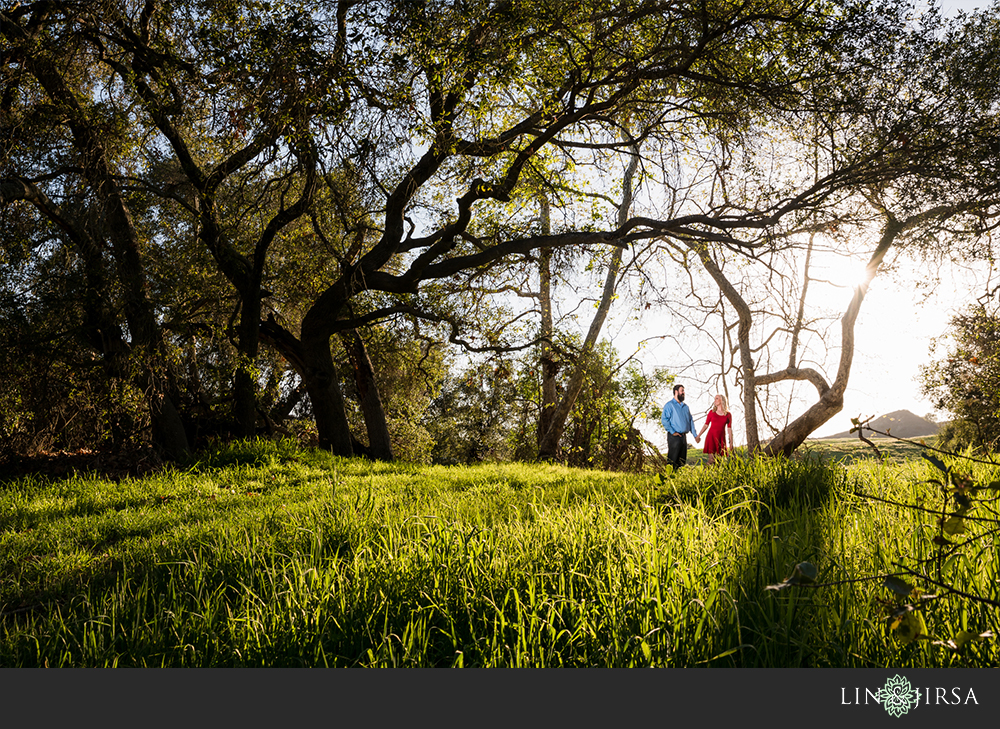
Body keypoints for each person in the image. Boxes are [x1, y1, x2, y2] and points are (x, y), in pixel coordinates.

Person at [661, 383, 699, 470]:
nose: (683, 393)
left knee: (682, 460)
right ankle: (669, 478)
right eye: (682, 391)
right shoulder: (669, 405)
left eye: (683, 391)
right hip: (674, 437)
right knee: (672, 460)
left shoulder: (686, 407)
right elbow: (664, 420)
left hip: (683, 437)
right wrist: (672, 432)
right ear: (676, 392)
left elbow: (690, 421)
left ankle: (678, 479)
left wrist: (695, 435)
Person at [698, 394, 734, 465]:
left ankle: (714, 476)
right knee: (711, 460)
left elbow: (729, 429)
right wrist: (699, 435)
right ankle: (703, 474)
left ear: (722, 400)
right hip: (711, 438)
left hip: (721, 439)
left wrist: (731, 442)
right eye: (714, 399)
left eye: (717, 398)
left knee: (719, 462)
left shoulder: (728, 415)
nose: (715, 400)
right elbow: (706, 425)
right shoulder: (711, 412)